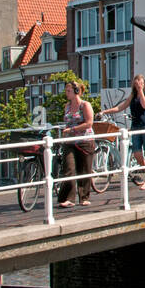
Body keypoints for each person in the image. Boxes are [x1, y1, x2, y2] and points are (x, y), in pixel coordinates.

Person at [100, 74, 145, 190]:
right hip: (136, 125)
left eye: (140, 83)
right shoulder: (132, 95)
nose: (138, 85)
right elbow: (121, 107)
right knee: (137, 153)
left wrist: (141, 91)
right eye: (136, 83)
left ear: (143, 83)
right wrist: (105, 112)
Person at [56, 80, 95, 208]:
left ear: (76, 92)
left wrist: (73, 130)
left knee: (84, 169)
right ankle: (69, 198)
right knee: (69, 167)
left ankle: (84, 197)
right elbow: (67, 121)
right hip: (70, 141)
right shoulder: (67, 106)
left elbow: (89, 123)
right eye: (66, 91)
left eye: (69, 91)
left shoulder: (85, 105)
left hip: (84, 140)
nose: (66, 93)